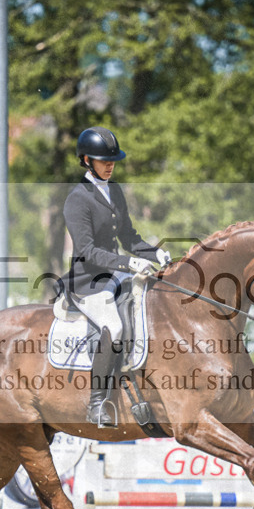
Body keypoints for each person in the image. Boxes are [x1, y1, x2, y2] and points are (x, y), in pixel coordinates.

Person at [61, 126, 172, 426]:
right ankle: (97, 403)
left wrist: (154, 253)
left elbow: (129, 236)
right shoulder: (77, 199)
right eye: (102, 160)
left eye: (112, 160)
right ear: (86, 160)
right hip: (88, 282)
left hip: (116, 275)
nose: (110, 165)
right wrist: (129, 264)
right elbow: (87, 251)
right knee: (114, 325)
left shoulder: (115, 190)